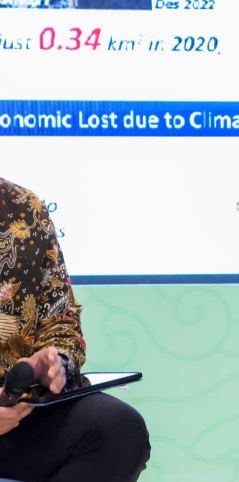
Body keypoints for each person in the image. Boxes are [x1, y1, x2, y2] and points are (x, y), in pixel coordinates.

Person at [0, 177, 151, 482]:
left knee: (118, 429)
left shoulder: (24, 208)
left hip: (16, 407)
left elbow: (62, 320)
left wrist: (54, 363)